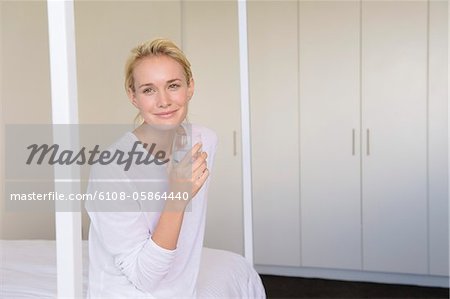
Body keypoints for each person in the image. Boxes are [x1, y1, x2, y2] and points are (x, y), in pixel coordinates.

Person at [85, 38, 265, 298]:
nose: (164, 101)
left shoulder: (204, 141)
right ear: (132, 96)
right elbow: (143, 277)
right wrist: (177, 197)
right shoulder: (112, 167)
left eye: (173, 85)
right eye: (148, 90)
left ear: (190, 87)